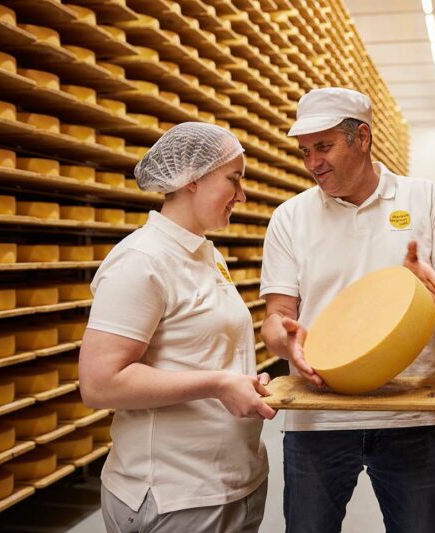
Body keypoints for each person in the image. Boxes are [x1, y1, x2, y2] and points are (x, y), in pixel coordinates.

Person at [260, 87, 435, 533]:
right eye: (305, 151)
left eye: (324, 147)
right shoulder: (290, 217)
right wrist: (288, 341)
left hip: (409, 412)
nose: (312, 163)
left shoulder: (425, 198)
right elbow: (274, 320)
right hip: (318, 416)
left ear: (362, 138)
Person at [79, 122, 275, 533]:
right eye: (233, 180)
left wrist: (238, 380)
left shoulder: (204, 253)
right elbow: (99, 383)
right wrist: (219, 384)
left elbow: (200, 354)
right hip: (175, 496)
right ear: (191, 179)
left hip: (231, 484)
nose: (241, 195)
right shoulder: (143, 259)